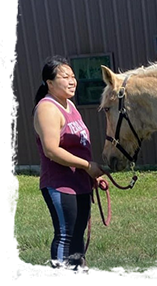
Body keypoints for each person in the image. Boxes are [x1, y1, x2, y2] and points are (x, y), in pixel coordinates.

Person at [33, 56, 110, 286]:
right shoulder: (47, 108)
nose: (72, 81)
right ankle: (62, 282)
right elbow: (51, 150)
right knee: (65, 234)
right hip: (59, 183)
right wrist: (87, 166)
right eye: (65, 77)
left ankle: (81, 278)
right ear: (49, 82)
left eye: (73, 76)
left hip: (80, 182)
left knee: (77, 234)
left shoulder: (70, 105)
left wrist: (89, 174)